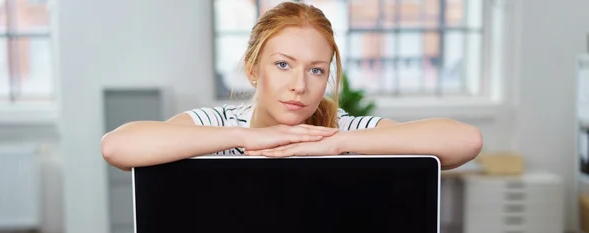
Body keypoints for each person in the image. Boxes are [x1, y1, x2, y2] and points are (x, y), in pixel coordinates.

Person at [101, 1, 483, 172]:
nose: (299, 85)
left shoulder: (345, 131)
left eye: (316, 71)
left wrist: (336, 143)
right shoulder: (218, 124)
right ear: (253, 70)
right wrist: (246, 139)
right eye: (283, 65)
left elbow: (464, 142)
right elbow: (118, 147)